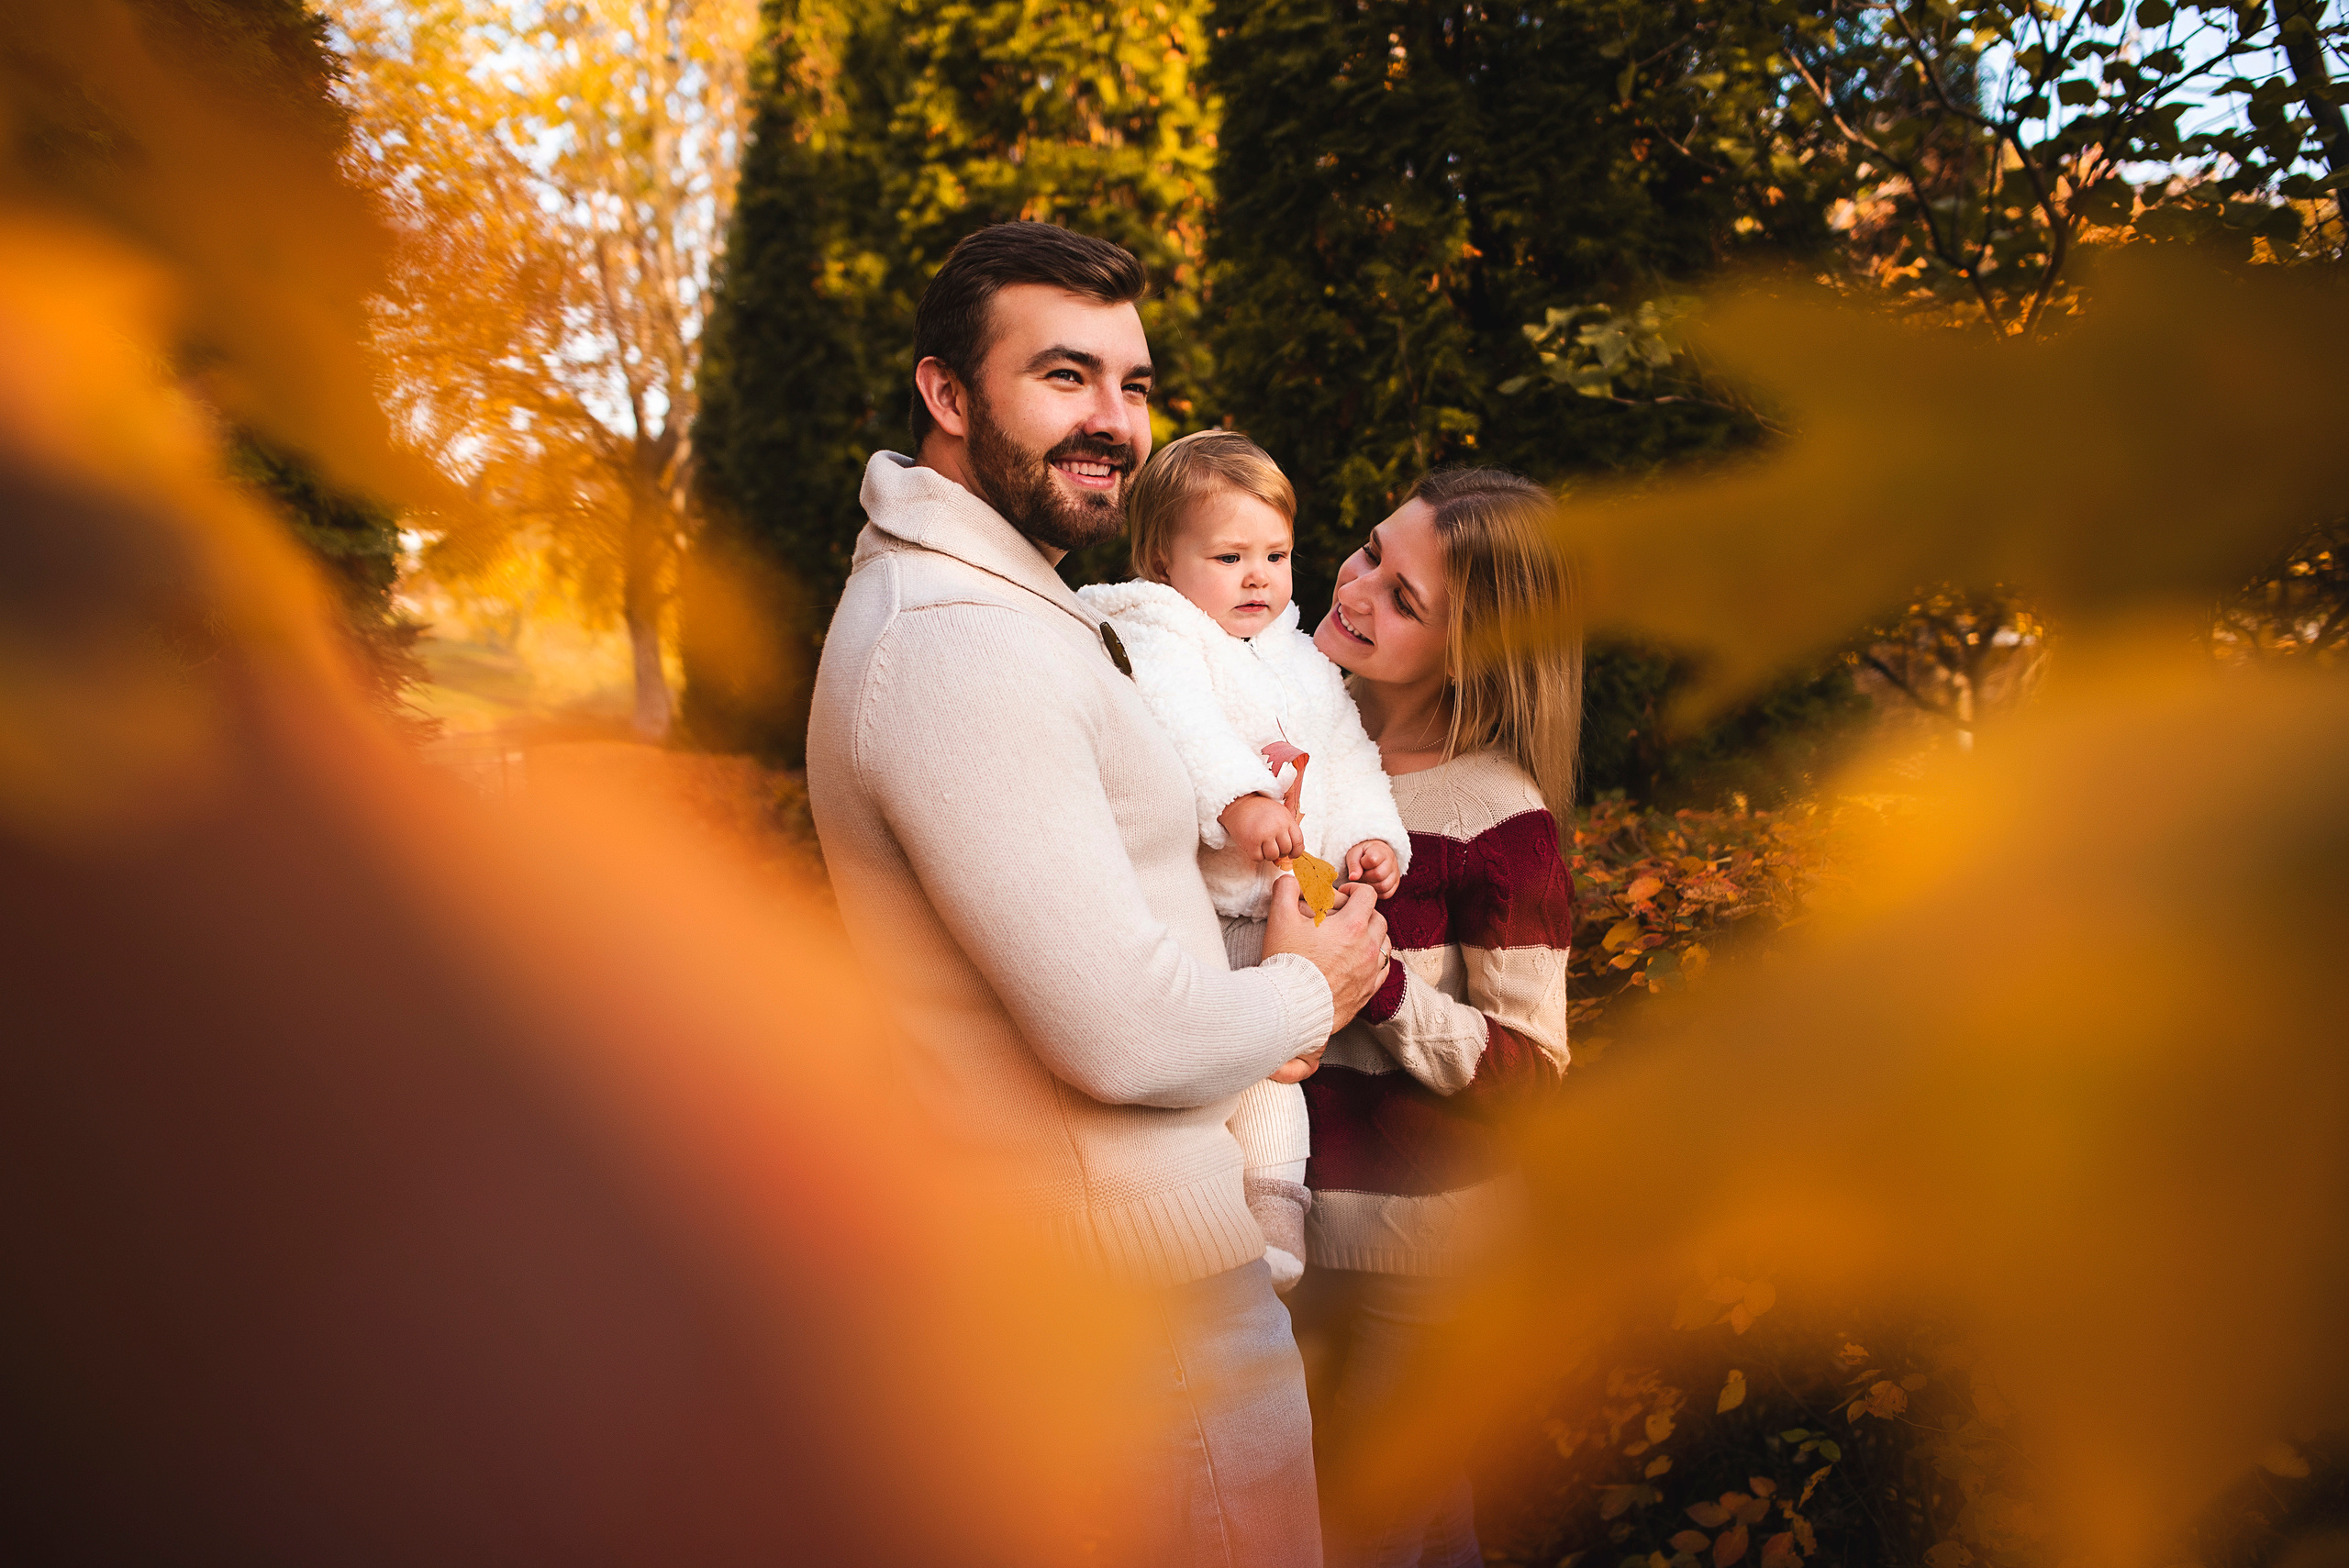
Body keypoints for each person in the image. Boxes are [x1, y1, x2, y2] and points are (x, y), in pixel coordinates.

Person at [804, 220, 1390, 1567]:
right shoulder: (960, 646)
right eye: (1064, 378)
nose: (1113, 423)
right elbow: (1119, 1031)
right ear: (948, 395)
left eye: (1131, 384)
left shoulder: (1005, 607)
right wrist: (1317, 985)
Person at [1289, 468, 1583, 1568]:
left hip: (1419, 1262)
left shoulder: (1499, 819)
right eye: (1368, 550)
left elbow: (1533, 1074)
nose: (1355, 587)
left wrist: (1385, 990)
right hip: (1281, 1226)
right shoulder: (1298, 751)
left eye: (1402, 598)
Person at [1078, 429, 1410, 1292]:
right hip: (1197, 905)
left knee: (1277, 1077)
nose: (1259, 575)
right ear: (1161, 560)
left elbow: (1349, 756)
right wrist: (1238, 800)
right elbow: (1176, 719)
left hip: (1281, 911)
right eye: (1229, 556)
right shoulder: (1159, 632)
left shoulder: (1297, 657)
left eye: (1277, 553)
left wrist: (1377, 839)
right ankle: (1201, 1213)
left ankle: (1272, 1210)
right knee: (1216, 1070)